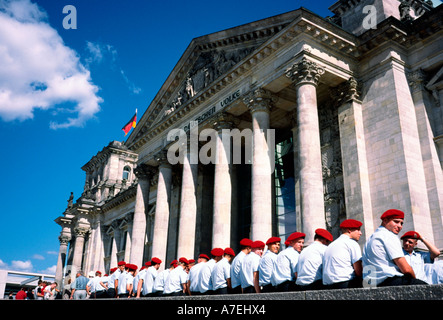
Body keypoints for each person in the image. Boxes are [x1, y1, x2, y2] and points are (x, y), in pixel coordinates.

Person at [362, 209, 428, 287]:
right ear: (385, 221)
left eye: (401, 223)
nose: (400, 226)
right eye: (396, 222)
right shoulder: (389, 235)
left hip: (371, 284)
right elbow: (406, 269)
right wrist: (415, 282)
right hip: (390, 281)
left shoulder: (370, 239)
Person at [322, 219, 363, 289]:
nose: (360, 233)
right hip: (345, 283)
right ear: (349, 230)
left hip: (328, 285)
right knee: (371, 278)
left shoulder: (331, 245)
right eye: (358, 230)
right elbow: (358, 271)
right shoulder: (352, 243)